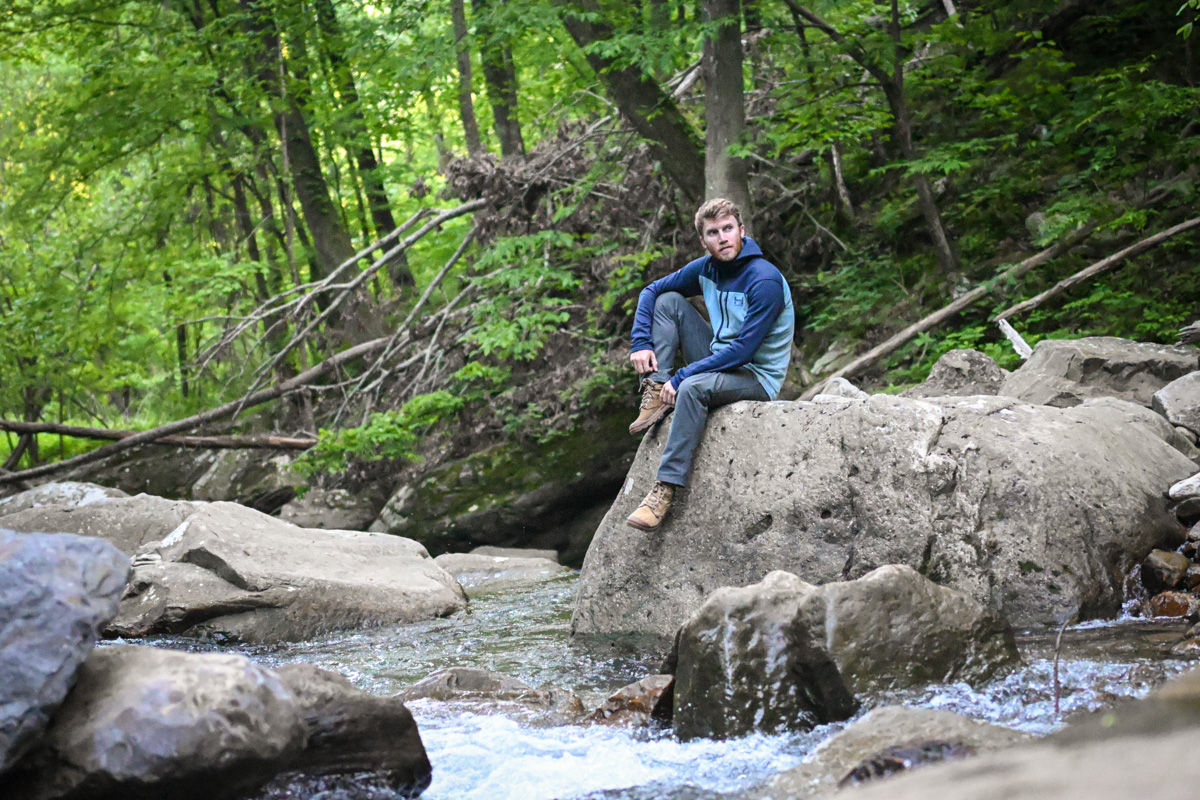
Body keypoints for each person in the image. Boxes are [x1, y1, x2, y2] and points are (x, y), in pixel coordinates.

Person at [625, 198, 794, 530]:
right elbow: (651, 290)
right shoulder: (705, 268)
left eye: (728, 229)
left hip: (756, 376)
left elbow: (744, 351)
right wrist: (640, 342)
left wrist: (685, 374)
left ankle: (665, 490)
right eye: (713, 233)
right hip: (720, 361)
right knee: (668, 301)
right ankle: (657, 386)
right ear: (704, 241)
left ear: (741, 231)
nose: (723, 238)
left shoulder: (764, 281)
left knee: (691, 387)